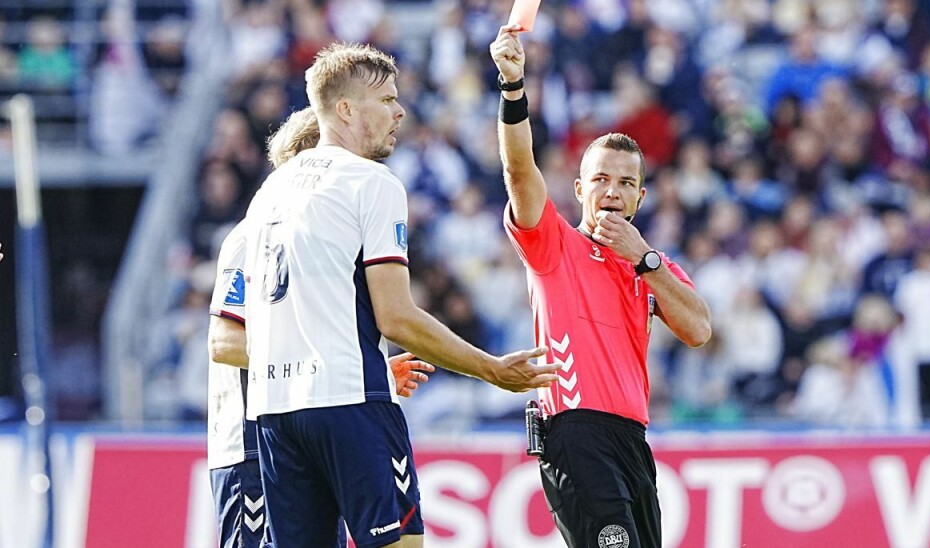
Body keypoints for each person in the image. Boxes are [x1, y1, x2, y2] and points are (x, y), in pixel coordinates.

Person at [242, 42, 560, 548]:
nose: (400, 111)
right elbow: (396, 319)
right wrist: (491, 368)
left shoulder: (269, 194)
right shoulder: (372, 182)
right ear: (345, 109)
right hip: (350, 403)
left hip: (275, 410)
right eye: (387, 100)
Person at [490, 26, 712, 548]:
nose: (612, 192)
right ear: (579, 189)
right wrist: (514, 88)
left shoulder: (651, 264)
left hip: (632, 439)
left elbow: (700, 329)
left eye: (626, 183)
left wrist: (645, 259)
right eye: (601, 180)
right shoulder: (554, 245)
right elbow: (518, 170)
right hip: (575, 431)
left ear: (639, 197)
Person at [207, 107, 435, 548]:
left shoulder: (318, 237)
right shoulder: (251, 235)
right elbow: (224, 340)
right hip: (252, 445)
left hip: (306, 419)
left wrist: (366, 368)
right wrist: (332, 361)